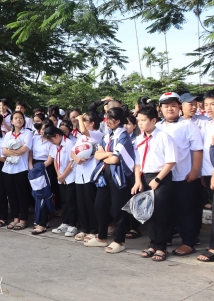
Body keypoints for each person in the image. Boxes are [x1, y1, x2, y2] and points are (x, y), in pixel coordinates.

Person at [156, 92, 203, 256]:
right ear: (160, 108)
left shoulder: (188, 125)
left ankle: (188, 242)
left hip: (182, 176)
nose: (170, 108)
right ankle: (164, 240)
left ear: (179, 107)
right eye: (166, 106)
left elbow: (197, 150)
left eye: (173, 105)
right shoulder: (157, 126)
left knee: (185, 211)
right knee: (165, 211)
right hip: (162, 177)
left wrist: (195, 171)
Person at [85, 107, 135, 254]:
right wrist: (108, 154)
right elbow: (96, 154)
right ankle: (102, 237)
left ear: (118, 121)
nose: (107, 122)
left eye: (110, 120)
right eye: (106, 119)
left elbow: (115, 159)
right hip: (104, 174)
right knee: (99, 205)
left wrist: (105, 155)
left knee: (118, 208)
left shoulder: (123, 136)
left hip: (118, 175)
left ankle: (119, 240)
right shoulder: (108, 135)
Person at [131, 106, 176, 262]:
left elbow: (171, 161)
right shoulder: (138, 139)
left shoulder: (164, 137)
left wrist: (157, 179)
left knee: (160, 212)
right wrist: (138, 180)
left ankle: (161, 247)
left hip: (160, 177)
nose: (140, 124)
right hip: (144, 176)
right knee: (147, 211)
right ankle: (152, 244)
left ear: (154, 120)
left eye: (143, 120)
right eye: (138, 121)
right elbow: (137, 163)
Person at [72, 111, 103, 242]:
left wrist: (79, 117)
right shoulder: (80, 138)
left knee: (91, 203)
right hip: (80, 174)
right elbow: (72, 152)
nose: (82, 123)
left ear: (92, 123)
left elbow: (84, 130)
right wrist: (76, 158)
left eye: (85, 120)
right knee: (81, 203)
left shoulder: (97, 134)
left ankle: (94, 229)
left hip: (91, 174)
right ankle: (85, 228)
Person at [2, 111, 34, 230]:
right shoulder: (8, 135)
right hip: (8, 169)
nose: (19, 120)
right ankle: (15, 218)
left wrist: (13, 151)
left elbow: (25, 150)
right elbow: (3, 151)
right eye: (16, 118)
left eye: (21, 118)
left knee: (22, 194)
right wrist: (17, 151)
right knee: (12, 195)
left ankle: (23, 219)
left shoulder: (27, 133)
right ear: (11, 121)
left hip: (21, 168)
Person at [44, 126, 77, 237]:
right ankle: (65, 222)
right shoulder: (55, 145)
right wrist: (58, 174)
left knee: (71, 201)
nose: (51, 142)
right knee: (64, 202)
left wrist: (63, 175)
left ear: (57, 135)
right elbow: (54, 160)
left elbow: (72, 162)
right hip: (61, 177)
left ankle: (73, 224)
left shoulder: (69, 144)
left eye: (51, 139)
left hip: (70, 177)